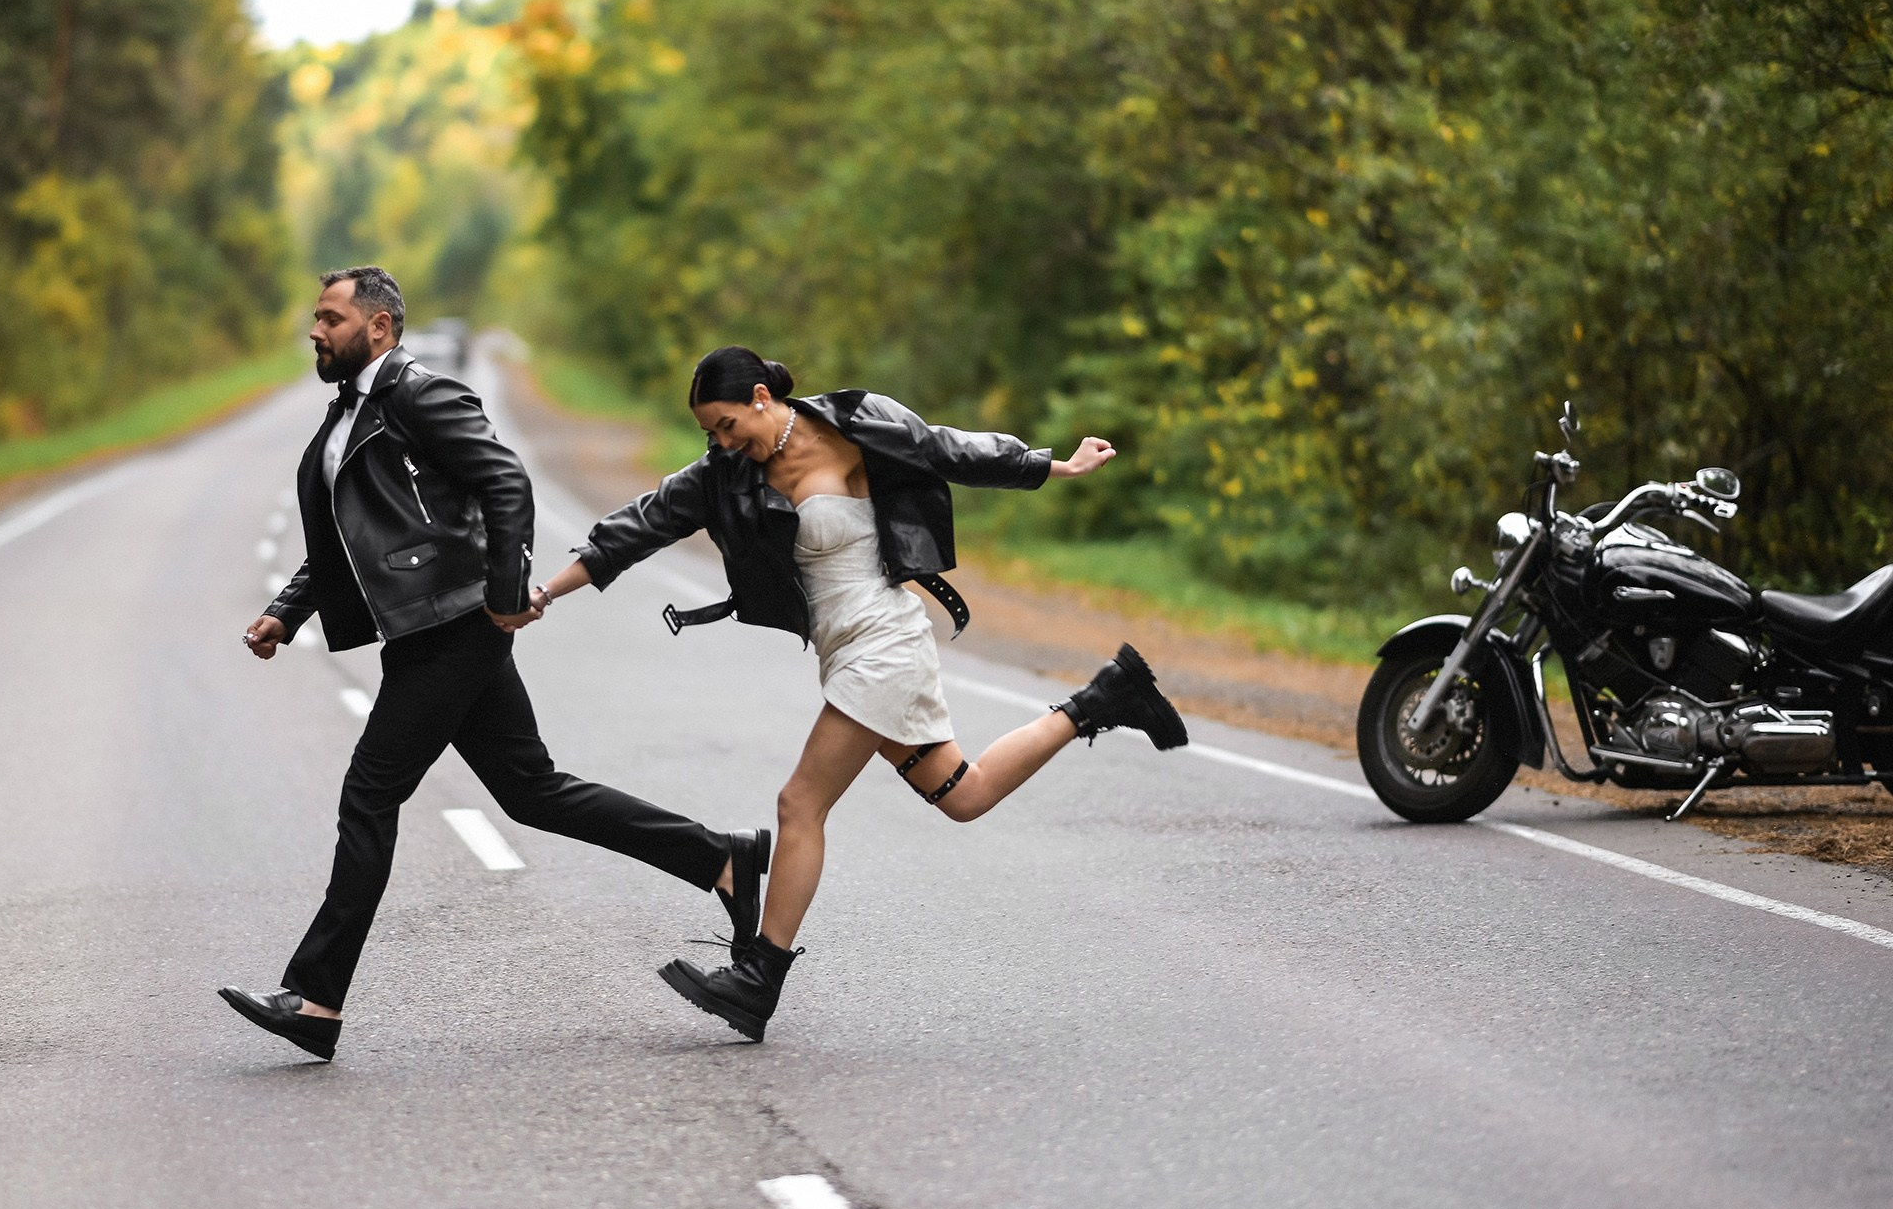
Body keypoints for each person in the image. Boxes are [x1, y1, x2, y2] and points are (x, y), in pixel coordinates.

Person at [530, 345, 1186, 1042]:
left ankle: (760, 977)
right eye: (710, 433)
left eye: (726, 424)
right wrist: (544, 592)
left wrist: (1052, 465)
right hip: (845, 650)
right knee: (964, 794)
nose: (722, 442)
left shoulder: (855, 424)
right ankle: (1106, 697)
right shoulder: (726, 474)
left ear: (760, 396)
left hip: (886, 640)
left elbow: (947, 449)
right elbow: (637, 527)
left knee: (798, 803)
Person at [218, 271, 770, 1061]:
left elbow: (506, 478)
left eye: (329, 318)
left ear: (379, 327)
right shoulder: (353, 410)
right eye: (315, 318)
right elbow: (348, 538)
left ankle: (315, 997)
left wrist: (509, 590)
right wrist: (288, 608)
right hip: (433, 628)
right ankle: (720, 856)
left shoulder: (418, 393)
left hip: (455, 625)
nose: (315, 330)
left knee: (370, 792)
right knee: (532, 790)